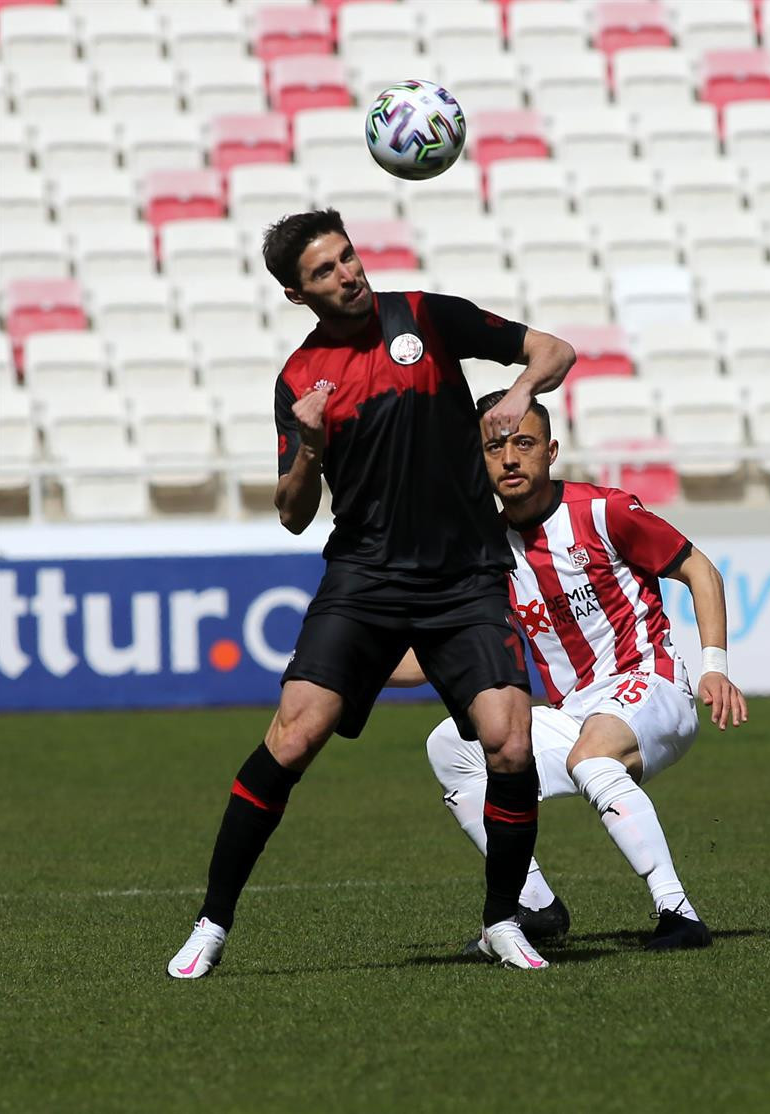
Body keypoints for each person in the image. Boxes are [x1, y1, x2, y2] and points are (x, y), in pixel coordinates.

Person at [167, 210, 576, 977]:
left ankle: (502, 920)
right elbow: (291, 515)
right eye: (325, 271)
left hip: (463, 576)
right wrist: (311, 443)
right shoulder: (300, 379)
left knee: (510, 741)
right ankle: (212, 923)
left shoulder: (424, 315)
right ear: (298, 293)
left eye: (348, 258)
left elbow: (555, 349)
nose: (347, 275)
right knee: (291, 738)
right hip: (366, 578)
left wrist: (520, 389)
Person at [391, 390, 748, 953]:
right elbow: (437, 651)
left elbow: (699, 570)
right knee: (450, 748)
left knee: (593, 755)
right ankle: (534, 907)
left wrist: (714, 666)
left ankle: (678, 914)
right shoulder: (484, 549)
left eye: (523, 443)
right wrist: (351, 672)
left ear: (550, 451)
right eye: (494, 447)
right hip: (572, 710)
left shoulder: (603, 511)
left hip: (649, 686)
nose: (509, 458)